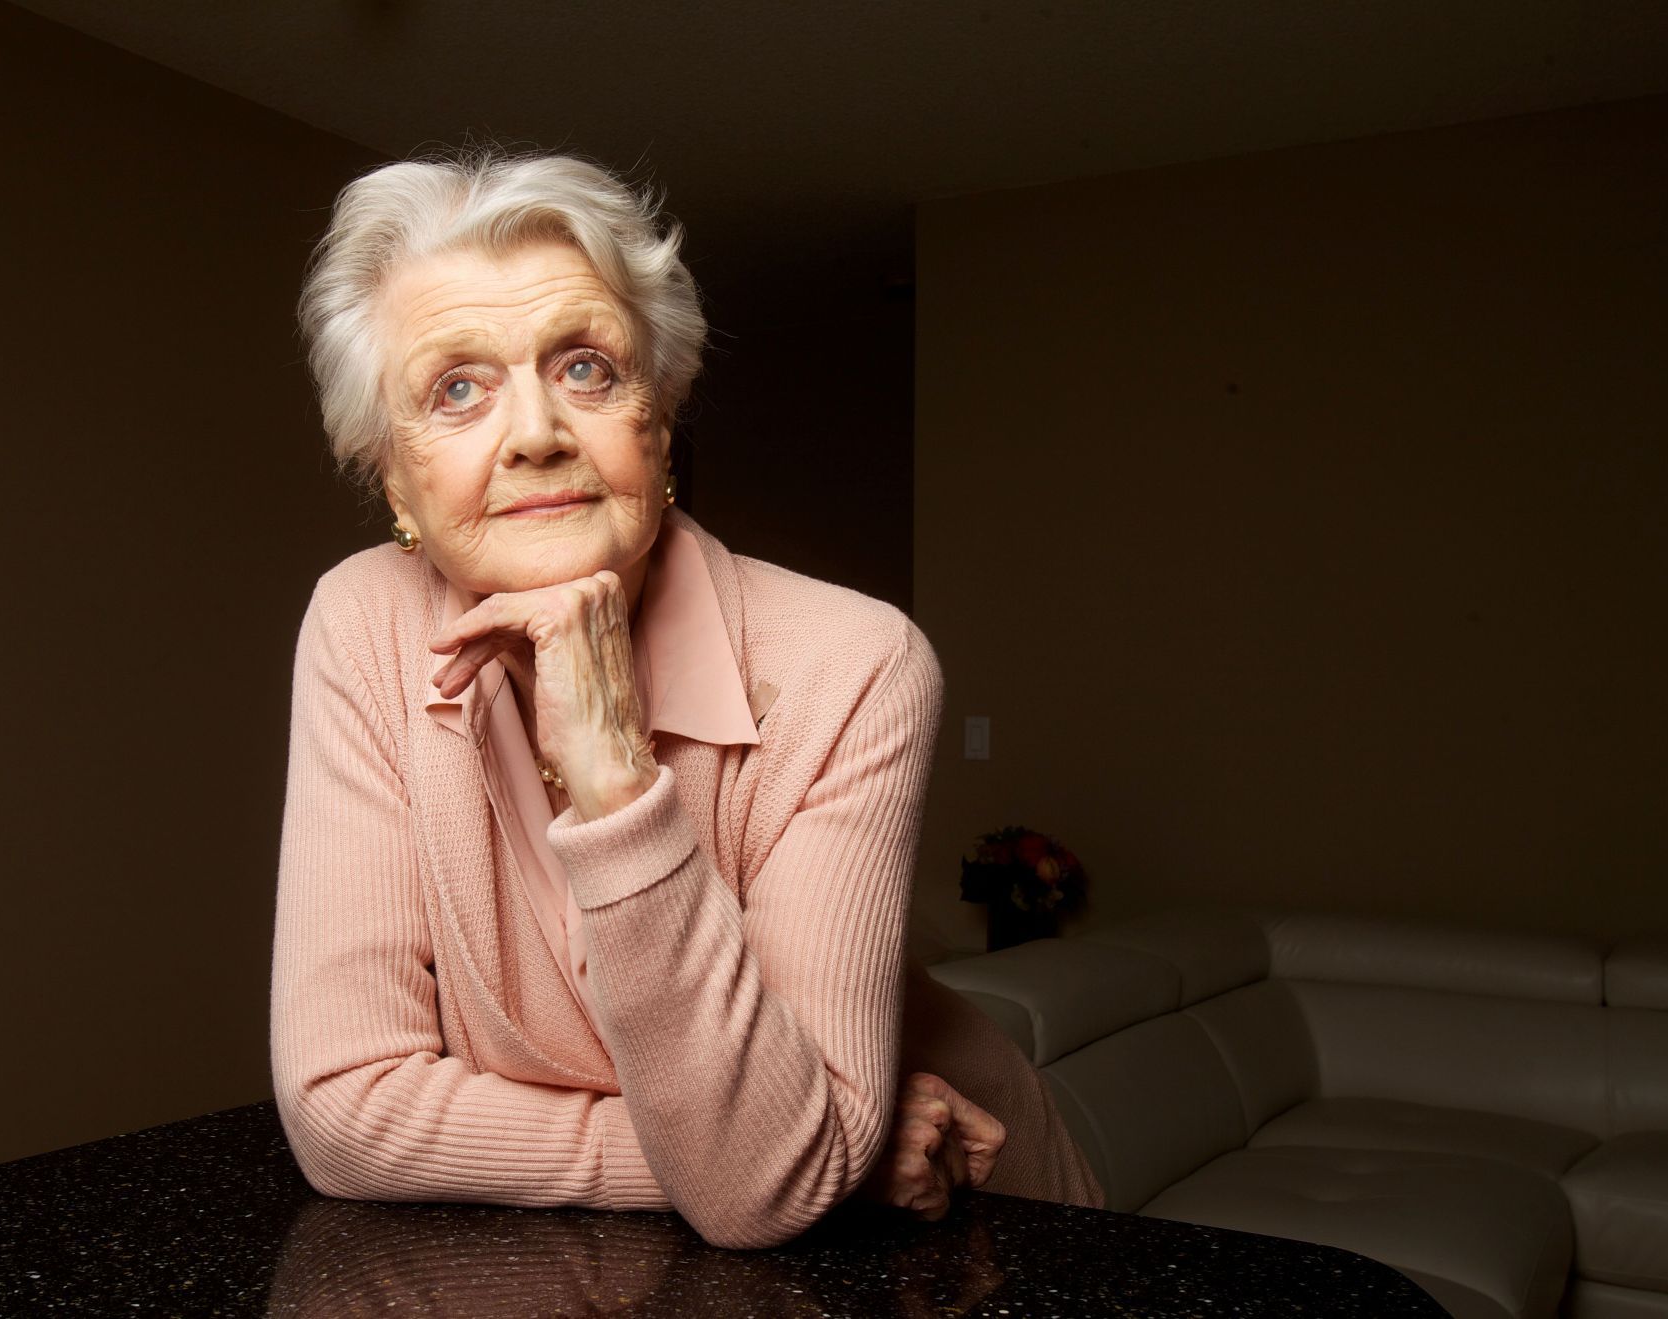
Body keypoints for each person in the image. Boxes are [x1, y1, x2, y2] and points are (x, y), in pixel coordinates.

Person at [270, 152, 1103, 1250]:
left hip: (967, 1228)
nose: (535, 433)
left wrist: (613, 780)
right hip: (744, 1222)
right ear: (394, 475)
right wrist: (822, 1155)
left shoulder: (853, 663)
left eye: (584, 368)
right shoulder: (362, 622)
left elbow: (764, 1189)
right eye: (456, 389)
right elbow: (347, 1109)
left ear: (660, 418)